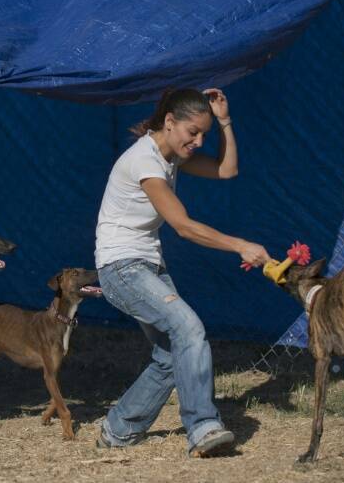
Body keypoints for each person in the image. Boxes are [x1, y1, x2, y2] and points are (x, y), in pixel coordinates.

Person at [94, 87, 271, 457]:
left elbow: (227, 169)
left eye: (204, 133)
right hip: (121, 268)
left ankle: (118, 429)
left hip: (146, 265)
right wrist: (240, 245)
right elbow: (184, 227)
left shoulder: (170, 156)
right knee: (188, 328)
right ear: (170, 123)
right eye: (193, 132)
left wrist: (224, 122)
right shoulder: (145, 161)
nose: (199, 141)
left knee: (169, 355)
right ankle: (203, 426)